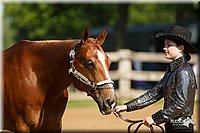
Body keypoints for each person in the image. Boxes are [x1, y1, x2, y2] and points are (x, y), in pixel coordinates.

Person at [113, 25, 198, 133]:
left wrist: (155, 118)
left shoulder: (183, 72)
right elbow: (154, 94)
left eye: (168, 45)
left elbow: (180, 104)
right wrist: (127, 106)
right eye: (165, 44)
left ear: (181, 48)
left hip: (181, 128)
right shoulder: (172, 70)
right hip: (171, 126)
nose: (164, 48)